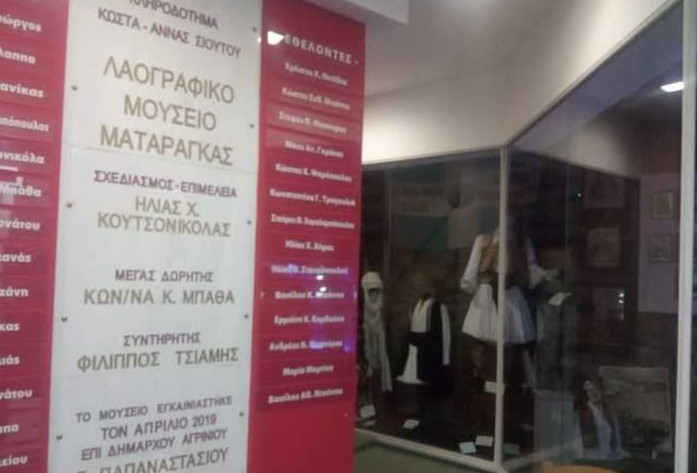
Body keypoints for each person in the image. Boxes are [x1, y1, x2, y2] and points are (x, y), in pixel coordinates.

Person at [574, 377, 627, 461]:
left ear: (602, 392)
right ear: (587, 393)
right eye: (590, 390)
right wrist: (582, 459)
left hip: (608, 459)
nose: (594, 393)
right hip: (591, 460)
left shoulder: (610, 415)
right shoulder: (582, 414)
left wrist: (618, 457)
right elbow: (576, 441)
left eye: (597, 390)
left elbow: (617, 440)